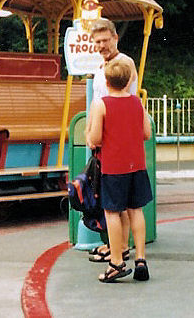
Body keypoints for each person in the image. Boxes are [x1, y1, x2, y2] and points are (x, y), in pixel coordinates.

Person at [86, 56, 153, 282]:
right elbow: (146, 134)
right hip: (137, 164)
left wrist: (88, 137)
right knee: (136, 210)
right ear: (127, 82)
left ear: (106, 82)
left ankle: (116, 261)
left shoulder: (101, 104)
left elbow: (95, 138)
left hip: (114, 167)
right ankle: (141, 258)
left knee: (112, 212)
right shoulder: (137, 102)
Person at [85, 18, 138, 263]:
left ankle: (117, 250)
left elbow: (120, 102)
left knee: (115, 201)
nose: (102, 45)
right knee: (113, 199)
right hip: (102, 137)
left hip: (114, 139)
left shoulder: (123, 64)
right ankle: (117, 245)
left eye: (106, 40)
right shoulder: (101, 66)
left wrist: (95, 133)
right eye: (98, 41)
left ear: (115, 38)